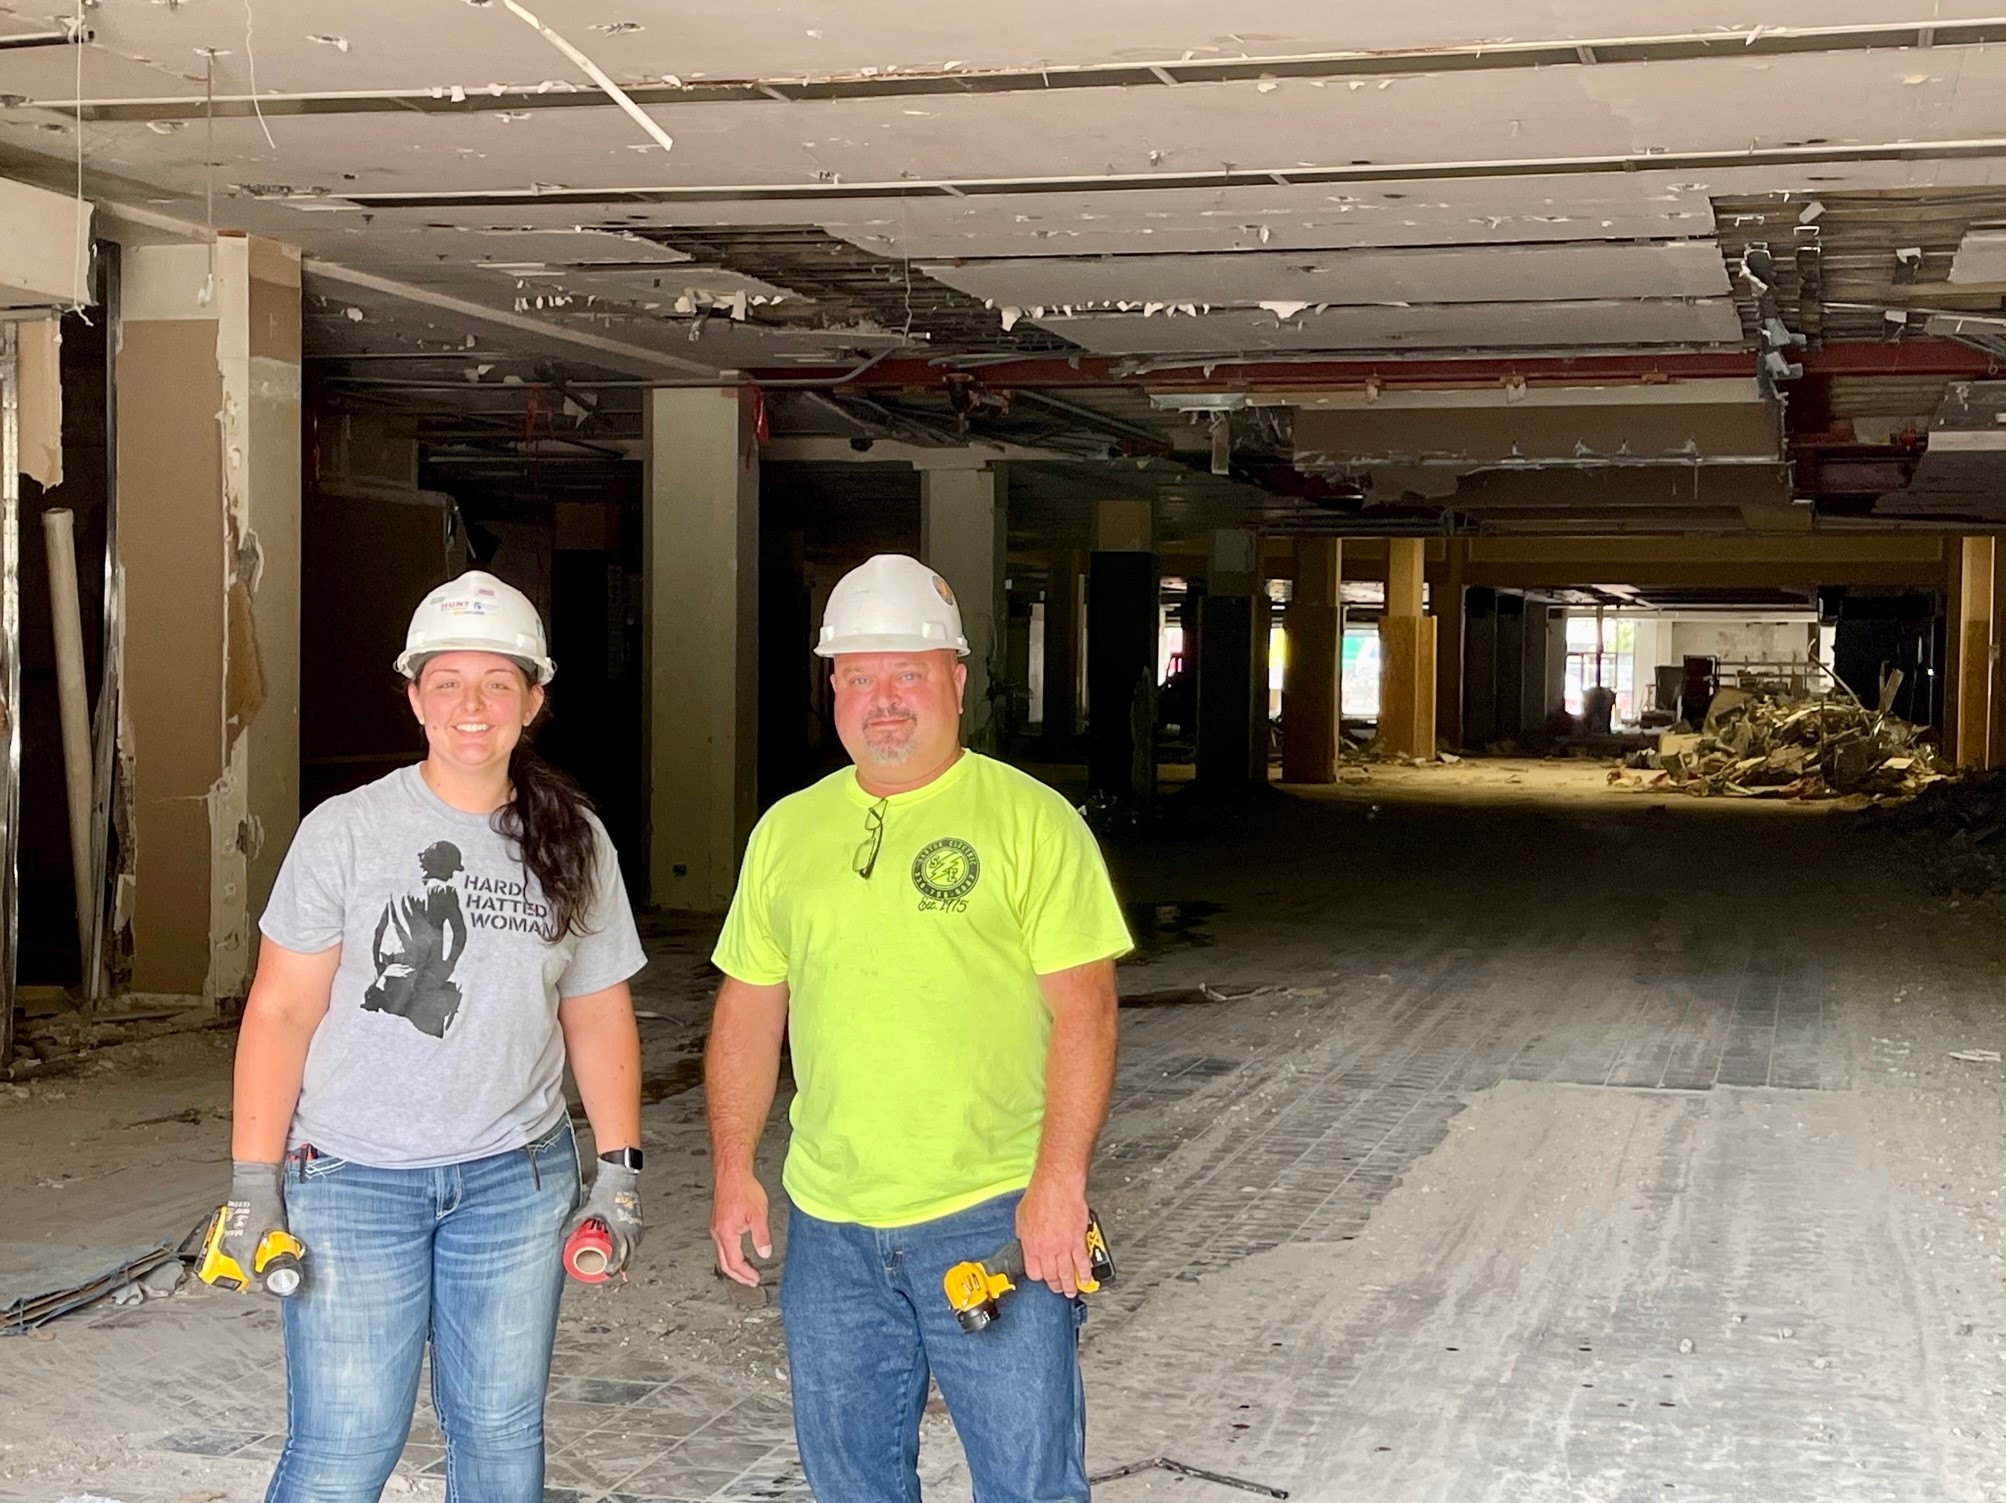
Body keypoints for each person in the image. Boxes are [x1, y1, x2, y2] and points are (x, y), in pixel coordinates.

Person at [705, 553, 1132, 1503]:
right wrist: (735, 1169)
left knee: (1029, 1487)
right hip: (831, 1229)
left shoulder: (1032, 821)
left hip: (994, 1219)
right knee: (851, 1486)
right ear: (832, 689)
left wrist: (1058, 1184)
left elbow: (1085, 1011)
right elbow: (746, 1009)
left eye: (908, 672)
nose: (883, 698)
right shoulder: (787, 830)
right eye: (859, 675)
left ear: (957, 679)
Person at [218, 570, 649, 1503]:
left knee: (496, 1441)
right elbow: (281, 1009)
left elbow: (597, 1007)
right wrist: (254, 1183)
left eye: (498, 682)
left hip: (514, 1182)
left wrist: (619, 1169)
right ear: (414, 696)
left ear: (533, 699)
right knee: (343, 1447)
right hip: (351, 1181)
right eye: (447, 681)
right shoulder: (347, 831)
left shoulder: (573, 837)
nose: (471, 706)